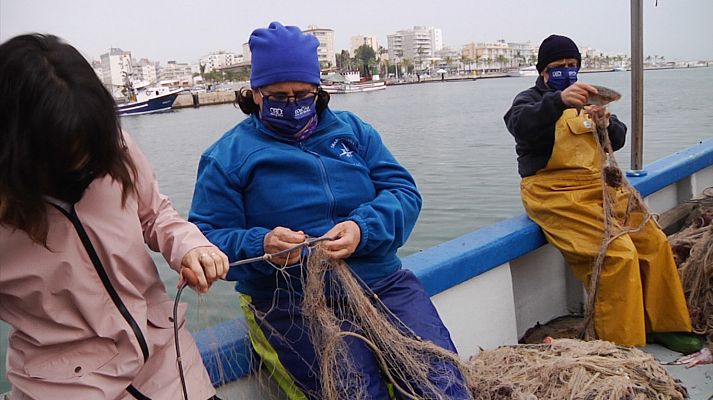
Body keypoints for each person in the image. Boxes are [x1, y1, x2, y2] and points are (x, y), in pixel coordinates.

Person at [189, 22, 469, 399]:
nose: (291, 103)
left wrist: (362, 229)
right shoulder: (226, 157)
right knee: (352, 393)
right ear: (256, 93)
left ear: (318, 90)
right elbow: (206, 236)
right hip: (293, 303)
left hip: (383, 283)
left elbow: (403, 192)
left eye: (301, 94)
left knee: (440, 382)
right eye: (278, 95)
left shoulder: (354, 131)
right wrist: (263, 245)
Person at [0, 34, 229, 399]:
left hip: (167, 359)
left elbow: (156, 215)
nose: (86, 165)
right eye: (64, 156)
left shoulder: (112, 145)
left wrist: (190, 247)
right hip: (64, 387)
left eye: (91, 149)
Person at [503, 34, 701, 353]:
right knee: (616, 255)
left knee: (654, 242)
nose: (567, 71)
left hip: (602, 188)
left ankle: (666, 325)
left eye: (572, 65)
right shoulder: (529, 101)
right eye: (558, 67)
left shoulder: (589, 98)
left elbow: (618, 139)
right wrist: (559, 101)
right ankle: (620, 347)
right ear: (543, 72)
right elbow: (519, 125)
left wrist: (607, 123)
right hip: (556, 195)